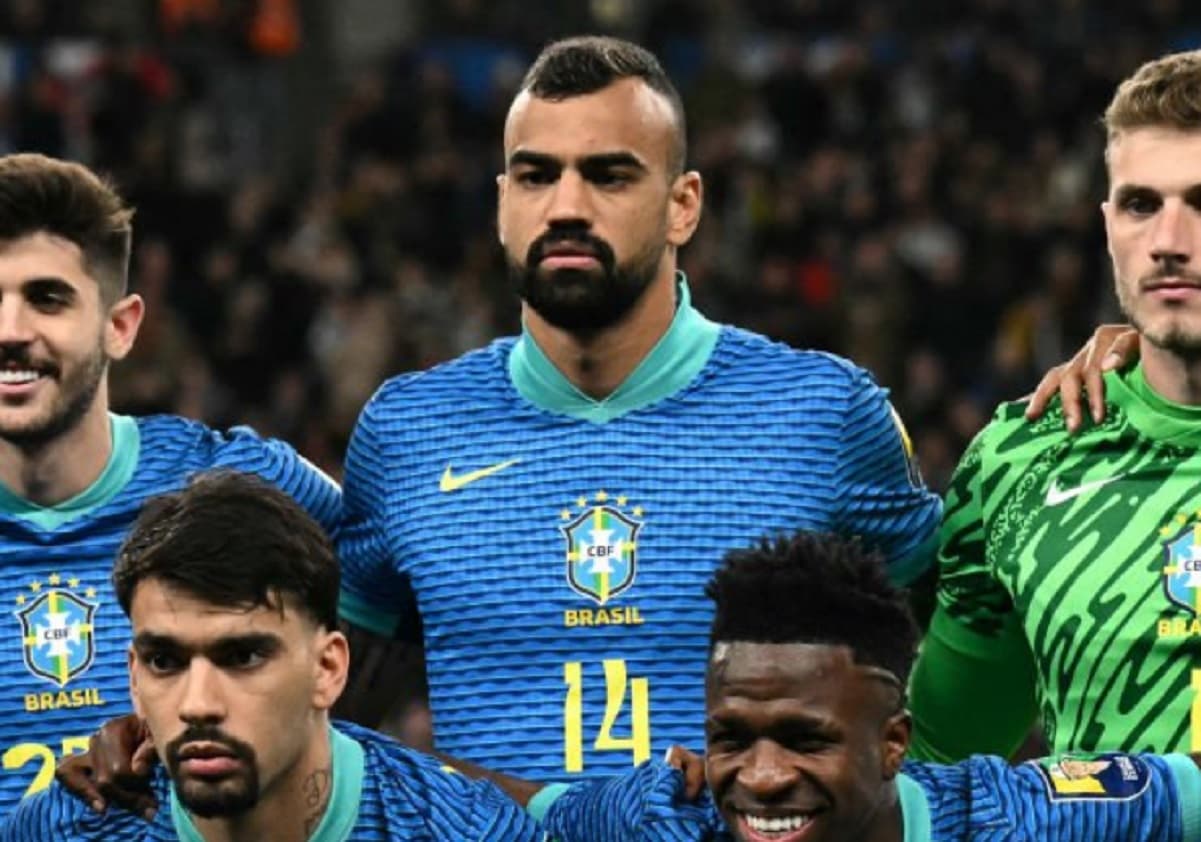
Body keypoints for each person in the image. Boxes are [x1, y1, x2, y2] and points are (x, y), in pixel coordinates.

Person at [334, 34, 943, 784]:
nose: (565, 206)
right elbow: (331, 722)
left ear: (682, 205)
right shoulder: (409, 432)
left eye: (608, 176)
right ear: (501, 205)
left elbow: (959, 665)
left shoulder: (822, 414)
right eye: (535, 176)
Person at [0, 153, 340, 813]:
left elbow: (394, 609)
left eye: (47, 298)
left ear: (120, 326)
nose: (10, 332)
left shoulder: (242, 483)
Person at [908, 49, 1201, 763]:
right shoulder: (1024, 455)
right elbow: (936, 760)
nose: (1167, 243)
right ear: (1106, 226)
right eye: (1140, 204)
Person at [536, 532, 1201, 842]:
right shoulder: (664, 818)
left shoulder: (1015, 821)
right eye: (730, 738)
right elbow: (468, 805)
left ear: (892, 743)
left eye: (805, 739)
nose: (762, 777)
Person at [1, 470, 548, 841]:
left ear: (328, 668)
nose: (198, 704)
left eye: (242, 657)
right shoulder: (66, 828)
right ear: (134, 676)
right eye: (165, 661)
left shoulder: (461, 830)